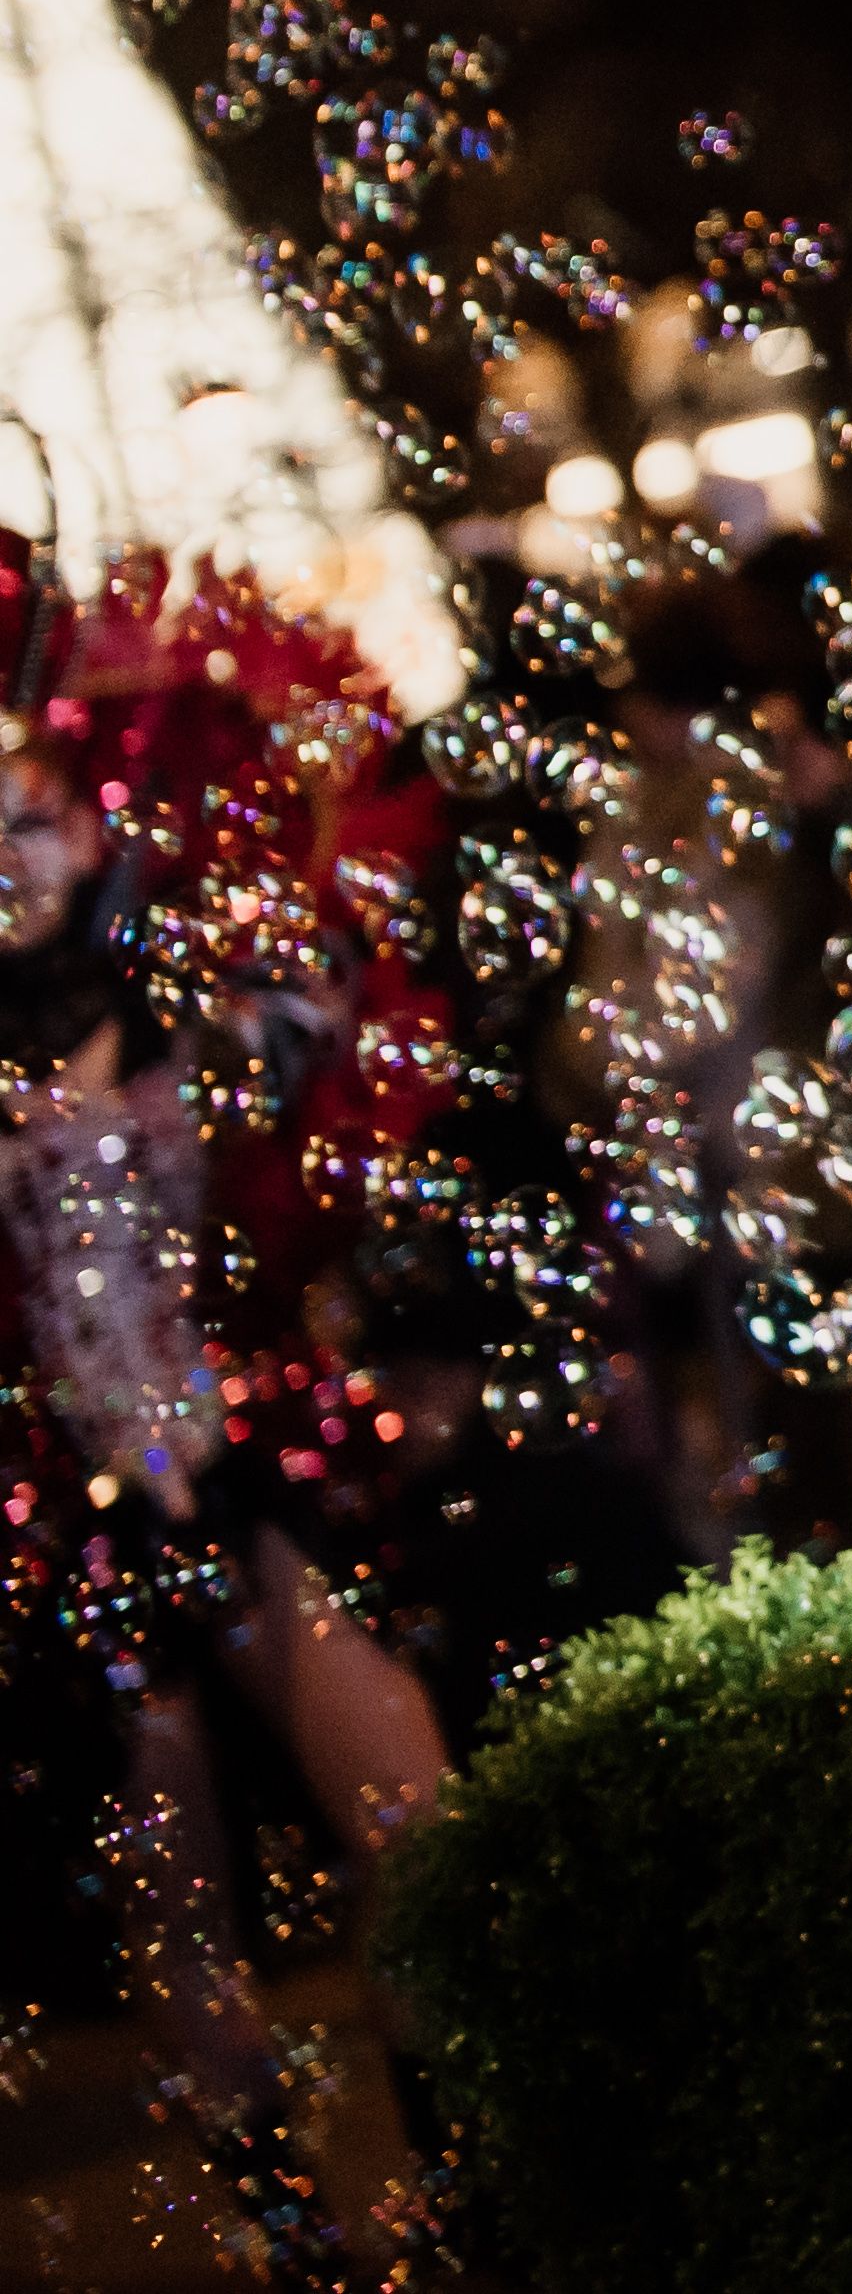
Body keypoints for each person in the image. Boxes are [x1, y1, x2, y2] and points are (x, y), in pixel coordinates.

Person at [0, 549, 466, 2278]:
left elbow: (336, 1144)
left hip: (239, 1453)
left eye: (31, 816)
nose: (9, 857)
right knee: (178, 1892)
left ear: (95, 816)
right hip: (63, 1501)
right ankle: (292, 2229)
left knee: (413, 1806)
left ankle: (466, 2164)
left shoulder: (197, 1002)